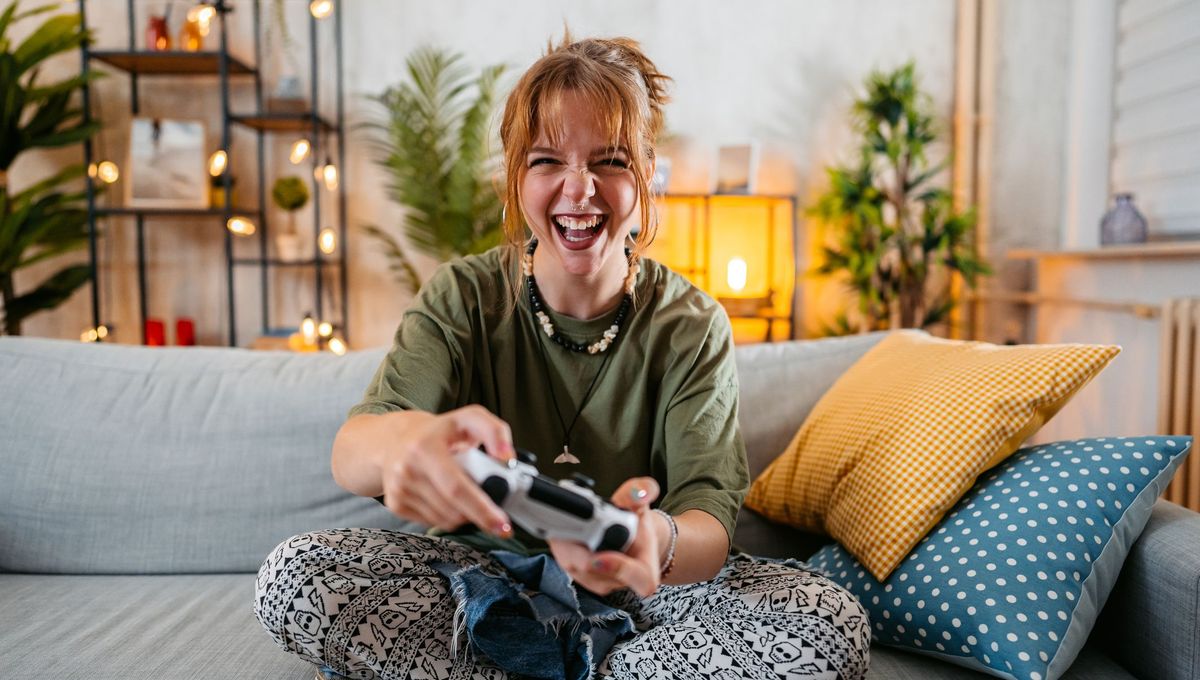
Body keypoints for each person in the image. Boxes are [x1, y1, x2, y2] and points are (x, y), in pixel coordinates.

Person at [254, 34, 870, 680]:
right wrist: (403, 439)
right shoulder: (463, 298)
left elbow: (708, 525)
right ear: (517, 177)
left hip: (641, 599)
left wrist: (655, 541)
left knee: (829, 625)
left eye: (610, 161)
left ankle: (550, 666)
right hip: (477, 583)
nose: (580, 191)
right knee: (292, 576)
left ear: (646, 173)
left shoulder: (691, 324)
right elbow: (352, 452)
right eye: (548, 161)